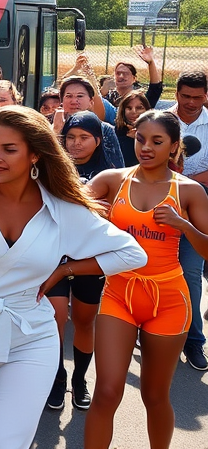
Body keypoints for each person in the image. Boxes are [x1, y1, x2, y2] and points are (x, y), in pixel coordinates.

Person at [0, 106, 146, 449]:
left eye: (9, 149)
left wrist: (66, 269)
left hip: (32, 338)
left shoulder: (65, 209)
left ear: (35, 153)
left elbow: (132, 253)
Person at [84, 110, 208, 449]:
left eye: (157, 142)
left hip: (168, 300)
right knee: (107, 391)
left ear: (174, 147)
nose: (146, 148)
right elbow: (71, 208)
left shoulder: (190, 191)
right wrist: (95, 214)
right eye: (140, 139)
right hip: (119, 294)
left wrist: (184, 226)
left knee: (155, 396)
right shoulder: (113, 179)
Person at [45, 111, 116, 410]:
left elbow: (112, 217)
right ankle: (57, 377)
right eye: (71, 137)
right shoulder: (51, 168)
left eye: (84, 138)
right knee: (55, 319)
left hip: (90, 260)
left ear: (98, 140)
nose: (76, 144)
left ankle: (80, 380)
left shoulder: (112, 174)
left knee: (85, 322)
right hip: (53, 257)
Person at [168, 70, 208, 371]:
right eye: (185, 96)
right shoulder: (161, 120)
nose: (191, 102)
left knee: (192, 273)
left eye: (197, 97)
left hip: (199, 208)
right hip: (160, 206)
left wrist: (186, 180)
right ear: (177, 93)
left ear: (206, 95)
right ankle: (151, 331)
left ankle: (194, 342)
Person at [54, 76, 125, 168]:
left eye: (80, 96)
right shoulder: (52, 127)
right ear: (61, 101)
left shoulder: (104, 129)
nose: (74, 101)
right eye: (69, 96)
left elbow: (118, 169)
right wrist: (56, 132)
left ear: (91, 102)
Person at [114, 90, 151, 167]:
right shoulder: (115, 133)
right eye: (129, 108)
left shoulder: (155, 132)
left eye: (139, 108)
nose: (133, 112)